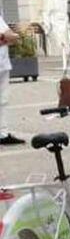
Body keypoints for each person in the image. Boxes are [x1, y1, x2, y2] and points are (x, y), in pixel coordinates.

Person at [0, 12, 22, 146]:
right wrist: (4, 37)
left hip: (3, 64)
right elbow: (8, 36)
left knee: (3, 100)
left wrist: (5, 37)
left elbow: (13, 37)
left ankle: (3, 133)